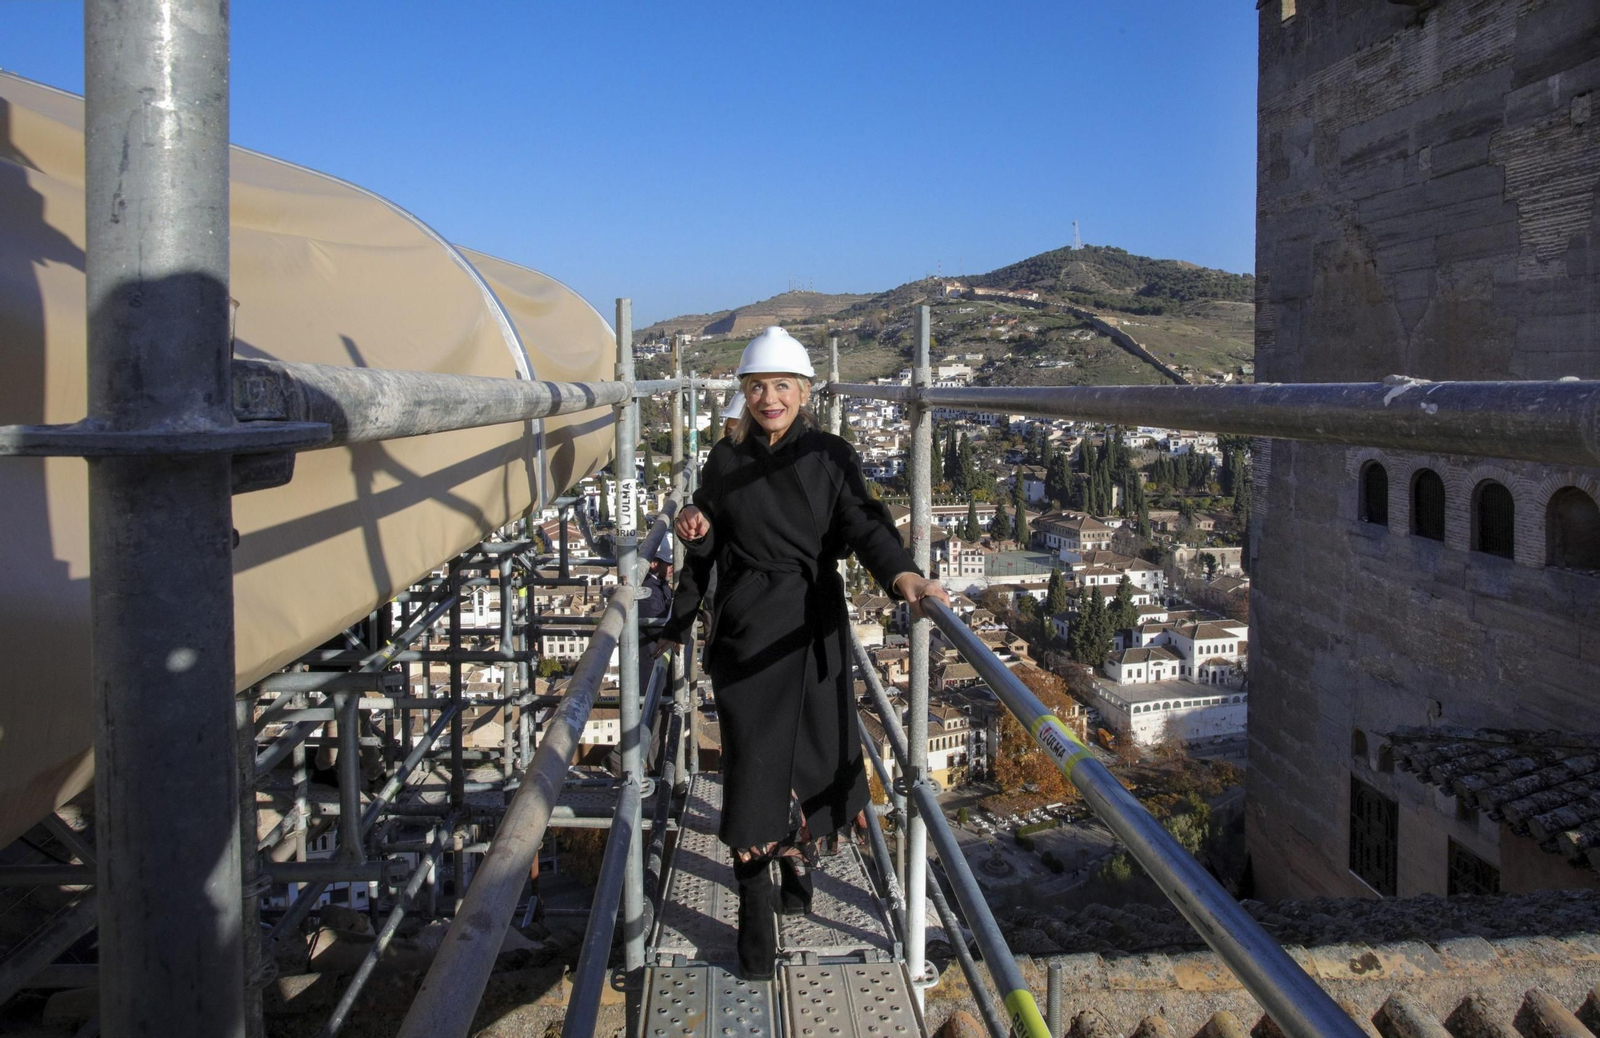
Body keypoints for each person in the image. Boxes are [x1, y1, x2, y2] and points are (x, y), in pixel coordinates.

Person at [654, 326, 949, 980]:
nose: (769, 398)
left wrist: (903, 576)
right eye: (757, 386)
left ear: (804, 392)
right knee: (755, 766)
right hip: (746, 632)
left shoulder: (832, 457)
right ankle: (754, 918)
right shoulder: (722, 463)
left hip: (813, 625)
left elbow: (864, 524)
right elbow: (701, 545)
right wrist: (688, 555)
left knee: (812, 761)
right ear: (745, 393)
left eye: (782, 386)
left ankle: (796, 858)